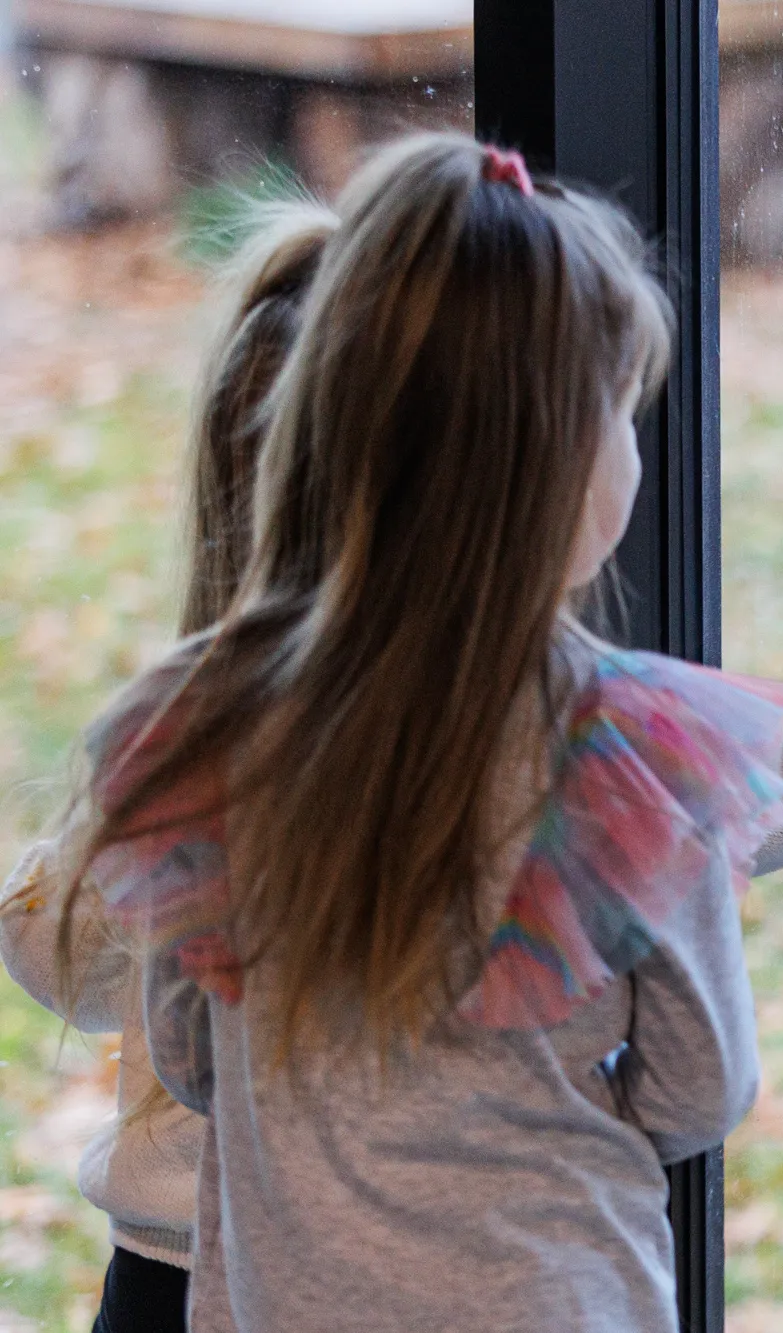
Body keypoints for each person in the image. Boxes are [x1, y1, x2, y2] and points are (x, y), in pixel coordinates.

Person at [13, 132, 783, 1333]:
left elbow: (181, 1048)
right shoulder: (640, 753)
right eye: (622, 412)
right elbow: (702, 1083)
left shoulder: (203, 734)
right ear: (556, 472)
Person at [0, 195, 338, 1333]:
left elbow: (64, 967)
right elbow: (749, 784)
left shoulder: (178, 736)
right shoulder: (485, 749)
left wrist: (46, 876)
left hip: (162, 1274)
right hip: (347, 1270)